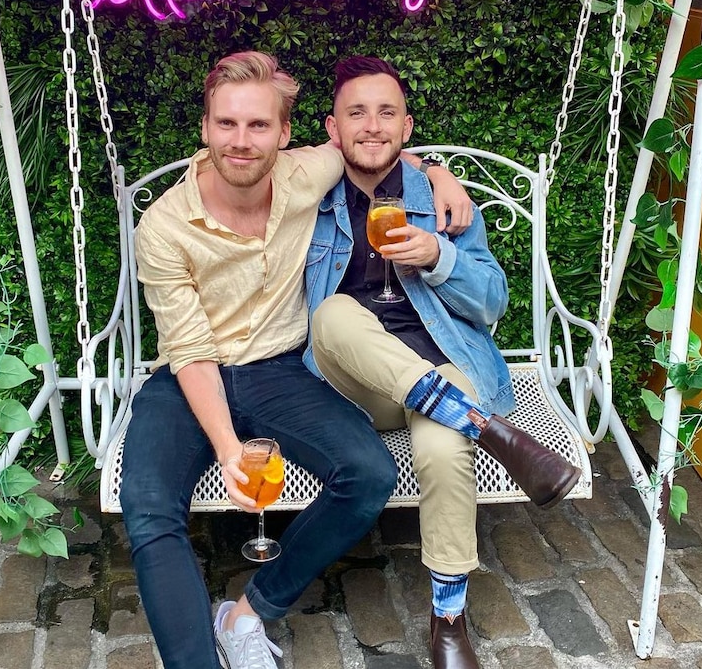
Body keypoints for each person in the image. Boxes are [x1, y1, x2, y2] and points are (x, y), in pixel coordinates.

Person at [119, 50, 473, 669]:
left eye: (259, 126)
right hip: (186, 379)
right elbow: (190, 351)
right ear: (205, 128)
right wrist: (229, 449)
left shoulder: (306, 173)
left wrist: (436, 172)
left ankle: (247, 612)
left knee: (367, 473)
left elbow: (374, 144)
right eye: (226, 124)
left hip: (281, 370)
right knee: (149, 509)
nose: (241, 140)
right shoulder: (164, 225)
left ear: (285, 135)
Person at [302, 56, 582, 669]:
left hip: (442, 374)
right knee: (333, 316)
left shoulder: (441, 203)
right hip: (356, 388)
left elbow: (493, 302)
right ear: (331, 128)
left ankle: (449, 616)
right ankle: (487, 428)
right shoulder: (307, 198)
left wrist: (439, 257)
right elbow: (233, 160)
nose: (371, 126)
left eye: (386, 113)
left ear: (406, 127)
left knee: (440, 442)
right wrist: (434, 164)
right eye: (356, 113)